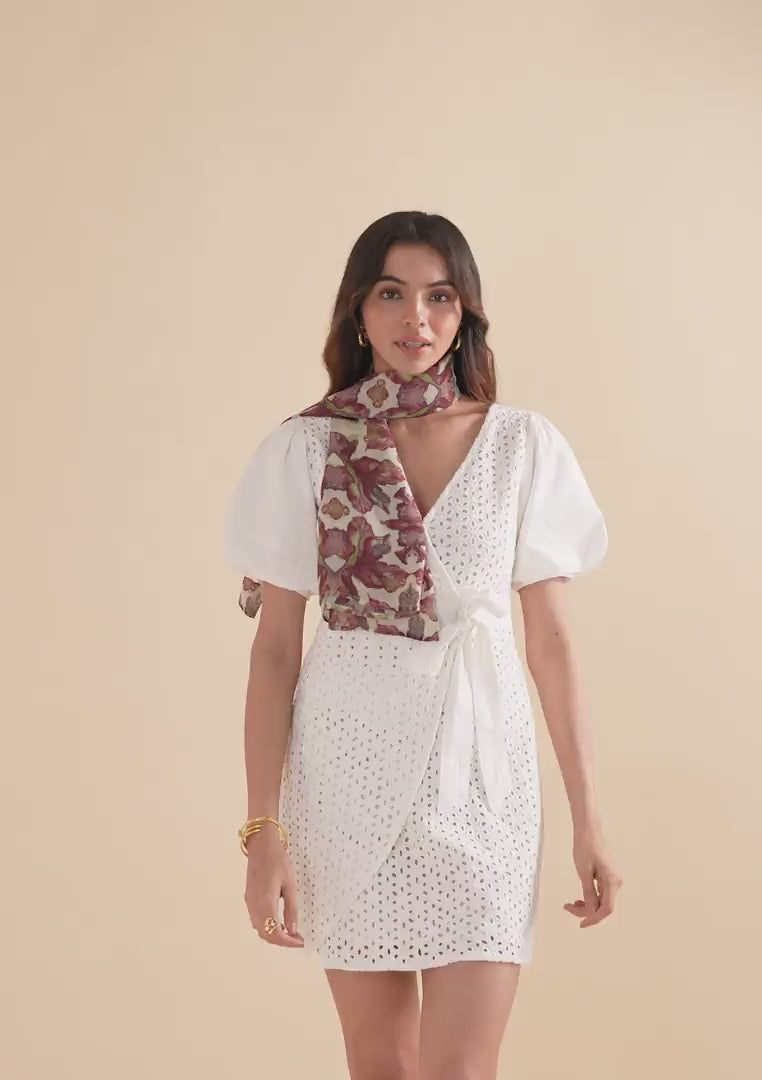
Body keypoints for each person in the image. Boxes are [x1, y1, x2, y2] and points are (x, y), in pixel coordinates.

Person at [224, 210, 623, 1079]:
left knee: (461, 1071)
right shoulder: (307, 448)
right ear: (358, 312)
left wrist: (589, 819)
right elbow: (275, 654)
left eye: (440, 297)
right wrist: (263, 833)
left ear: (465, 311)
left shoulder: (521, 445)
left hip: (484, 779)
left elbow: (551, 643)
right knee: (381, 1066)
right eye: (392, 294)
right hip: (345, 778)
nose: (417, 318)